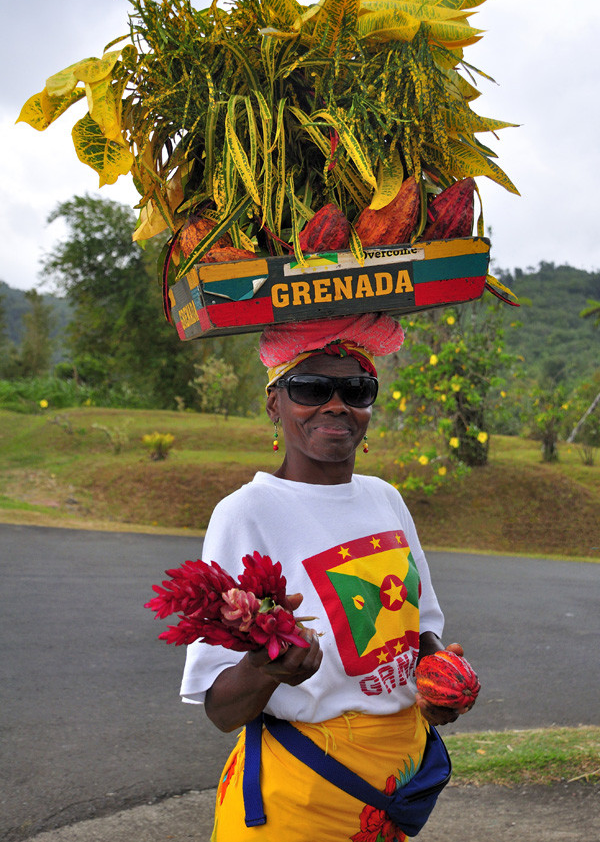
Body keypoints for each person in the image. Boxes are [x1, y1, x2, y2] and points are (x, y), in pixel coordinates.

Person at [180, 312, 475, 842]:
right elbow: (221, 708)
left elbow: (418, 632)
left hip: (396, 786)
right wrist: (272, 670)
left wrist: (439, 677)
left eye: (356, 389)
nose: (336, 404)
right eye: (311, 387)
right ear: (274, 403)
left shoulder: (386, 498)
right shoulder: (246, 512)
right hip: (301, 796)